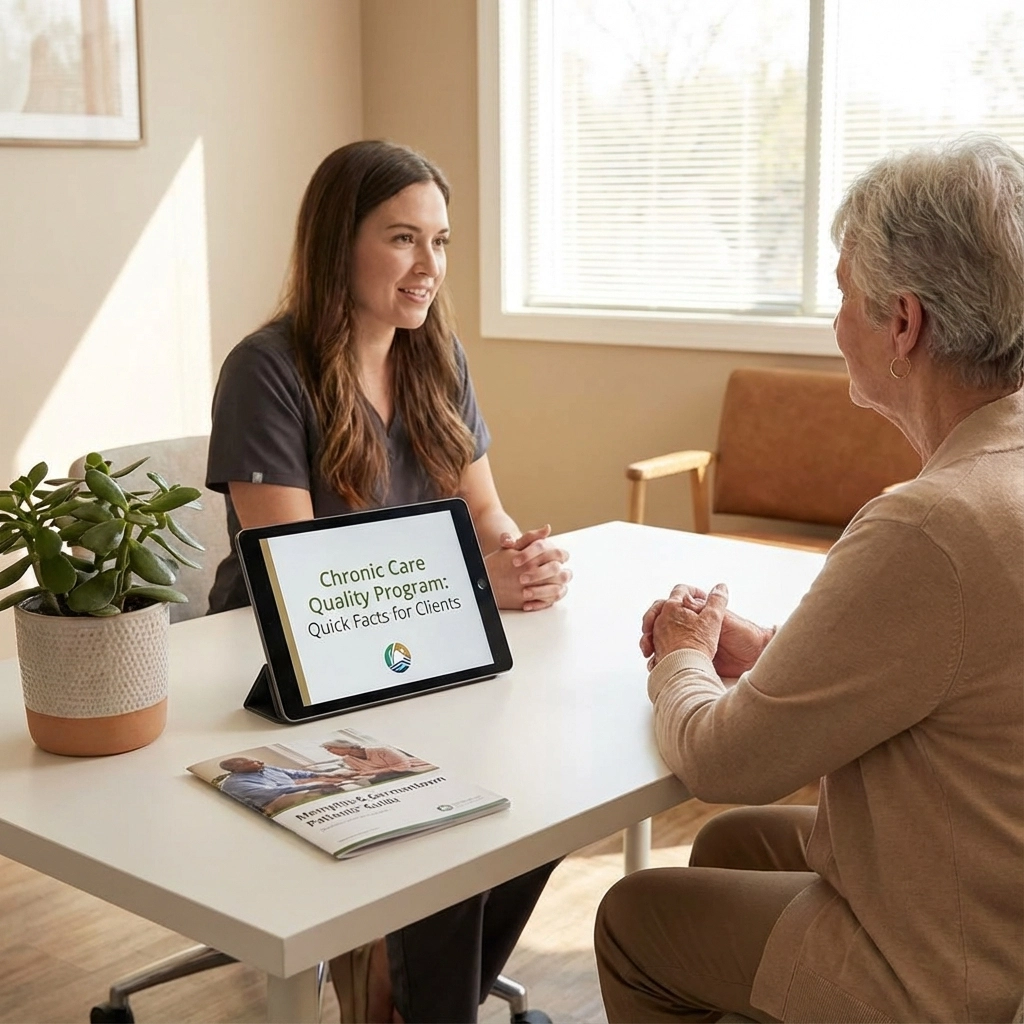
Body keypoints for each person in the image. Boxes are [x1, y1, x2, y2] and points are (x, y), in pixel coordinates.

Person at [595, 135, 1023, 1023]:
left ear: (902, 324)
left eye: (842, 297)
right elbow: (952, 662)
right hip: (997, 885)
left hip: (953, 968)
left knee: (635, 919)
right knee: (734, 845)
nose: (834, 327)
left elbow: (726, 758)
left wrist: (680, 653)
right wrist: (771, 653)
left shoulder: (932, 523)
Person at [205, 139, 568, 1023]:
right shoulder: (268, 370)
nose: (429, 267)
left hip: (415, 646)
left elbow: (486, 514)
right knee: (452, 822)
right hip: (284, 662)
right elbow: (301, 573)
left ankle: (404, 995)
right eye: (404, 239)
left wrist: (520, 559)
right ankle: (408, 997)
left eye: (440, 242)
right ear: (340, 243)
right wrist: (473, 585)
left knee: (543, 806)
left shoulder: (434, 357)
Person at [218, 757, 357, 813]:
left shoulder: (266, 768)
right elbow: (274, 792)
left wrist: (321, 776)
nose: (260, 762)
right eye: (251, 762)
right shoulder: (235, 784)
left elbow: (294, 773)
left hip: (291, 789)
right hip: (272, 801)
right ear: (236, 769)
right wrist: (315, 784)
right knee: (319, 791)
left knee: (333, 781)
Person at [321, 738, 434, 783]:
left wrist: (374, 772)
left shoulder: (381, 750)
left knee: (379, 778)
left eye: (331, 748)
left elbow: (404, 764)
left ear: (344, 746)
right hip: (386, 774)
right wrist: (352, 773)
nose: (330, 752)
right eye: (328, 750)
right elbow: (364, 771)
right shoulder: (347, 759)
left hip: (410, 767)